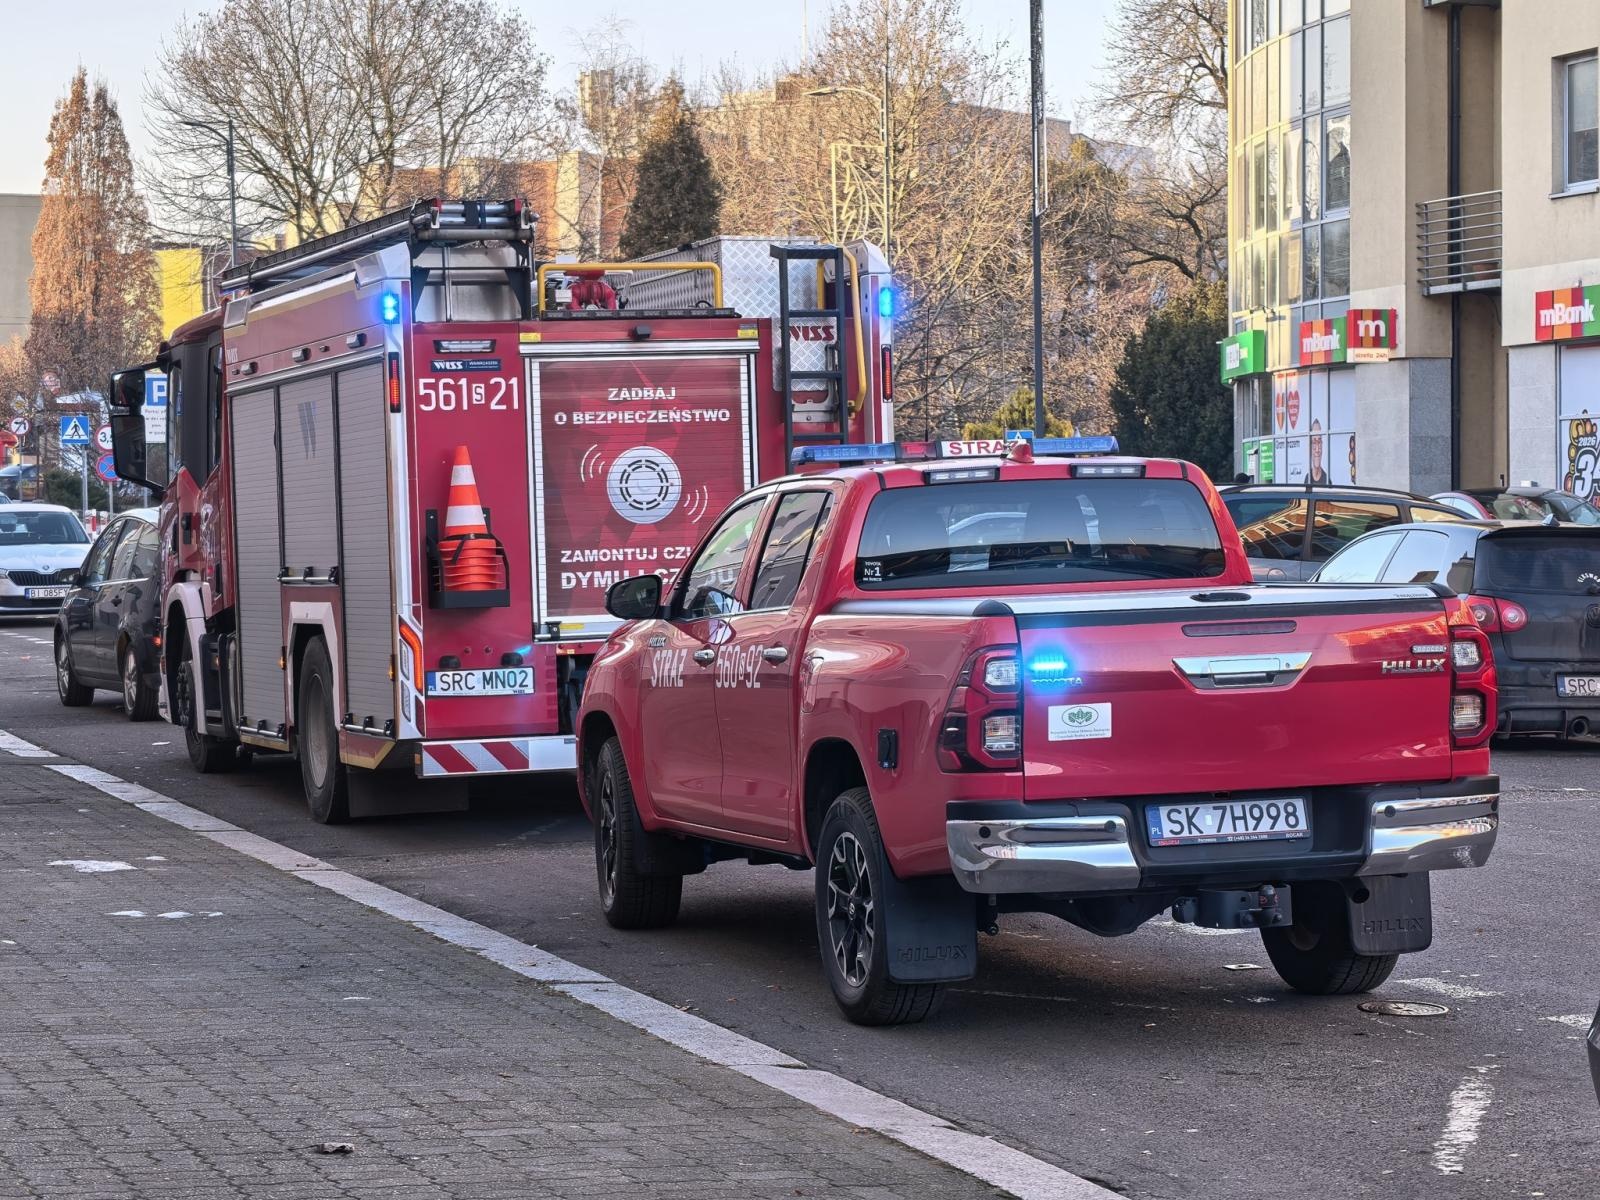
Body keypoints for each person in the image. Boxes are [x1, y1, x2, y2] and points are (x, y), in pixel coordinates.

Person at [1308, 419, 1329, 485]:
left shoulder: (1327, 481)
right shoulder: (1307, 478)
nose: (1317, 449)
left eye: (1319, 442)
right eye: (1314, 442)